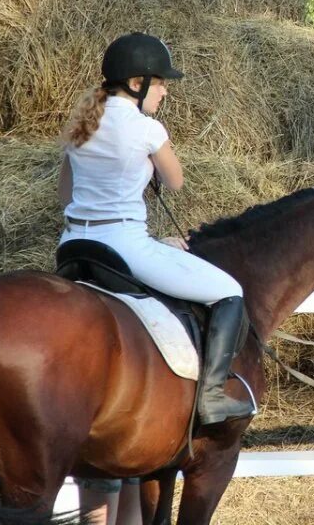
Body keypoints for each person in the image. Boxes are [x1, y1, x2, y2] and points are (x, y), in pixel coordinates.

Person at [58, 32, 255, 427]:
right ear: (137, 84)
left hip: (73, 245)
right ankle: (212, 397)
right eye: (161, 83)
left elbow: (67, 195)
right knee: (230, 293)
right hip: (123, 246)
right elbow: (176, 181)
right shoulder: (148, 129)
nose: (164, 92)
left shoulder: (80, 124)